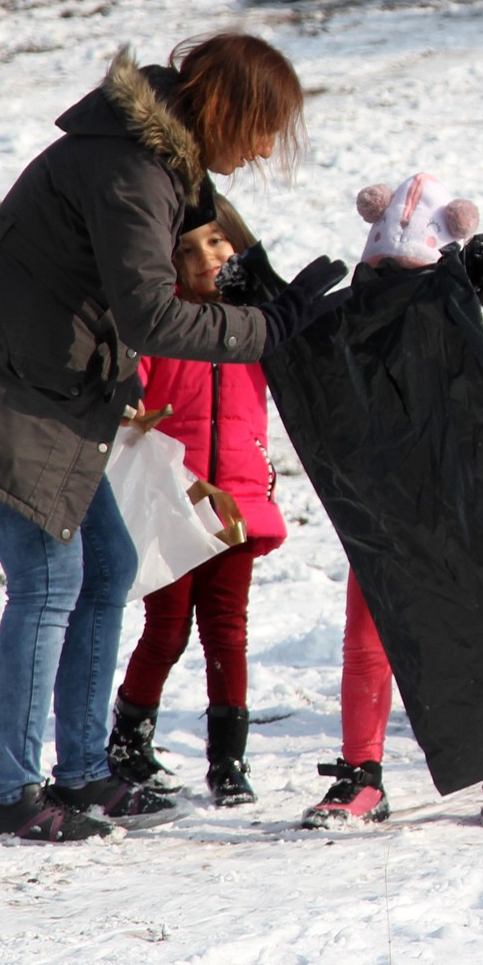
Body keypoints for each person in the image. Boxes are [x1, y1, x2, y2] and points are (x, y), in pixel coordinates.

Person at [0, 37, 348, 843]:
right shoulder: (131, 171)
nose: (265, 148)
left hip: (46, 386)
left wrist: (258, 290)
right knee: (49, 581)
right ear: (225, 111)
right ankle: (14, 793)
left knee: (110, 564)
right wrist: (266, 327)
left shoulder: (153, 167)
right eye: (263, 128)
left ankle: (85, 770)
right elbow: (151, 315)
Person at [300, 174, 483, 829]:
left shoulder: (468, 298)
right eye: (382, 268)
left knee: (479, 625)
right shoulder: (353, 309)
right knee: (368, 639)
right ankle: (361, 775)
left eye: (405, 268)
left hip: (469, 493)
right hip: (385, 497)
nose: (393, 279)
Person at [104, 202, 285, 809]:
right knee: (167, 627)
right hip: (174, 502)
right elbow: (131, 386)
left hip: (235, 503)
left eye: (217, 243)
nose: (206, 258)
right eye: (188, 249)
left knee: (227, 633)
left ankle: (227, 761)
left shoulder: (258, 323)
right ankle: (128, 742)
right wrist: (131, 404)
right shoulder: (163, 324)